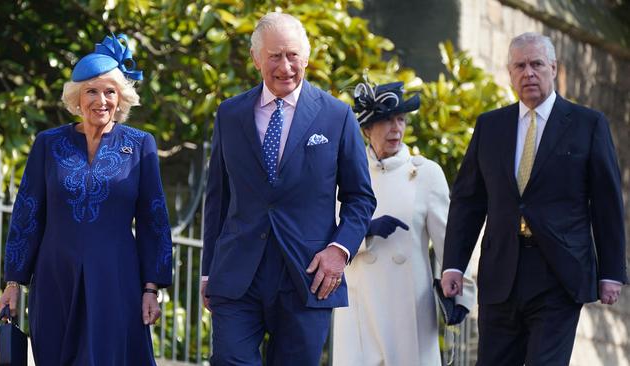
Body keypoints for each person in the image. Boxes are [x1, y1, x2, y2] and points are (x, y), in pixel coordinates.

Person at [441, 32, 627, 365]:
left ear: (554, 68)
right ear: (510, 73)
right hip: (501, 273)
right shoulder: (490, 127)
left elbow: (606, 203)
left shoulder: (588, 125)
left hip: (559, 273)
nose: (529, 73)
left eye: (537, 64)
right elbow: (468, 201)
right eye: (520, 66)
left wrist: (611, 271)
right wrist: (454, 263)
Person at [200, 12, 376, 366]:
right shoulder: (230, 114)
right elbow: (217, 197)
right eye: (274, 56)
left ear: (306, 57)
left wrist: (339, 251)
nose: (285, 66)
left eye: (292, 55)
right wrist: (208, 270)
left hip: (307, 276)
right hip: (238, 275)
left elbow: (360, 198)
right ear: (256, 59)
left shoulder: (337, 116)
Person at [0, 33, 172, 365]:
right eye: (91, 91)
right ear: (77, 98)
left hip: (116, 279)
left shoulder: (139, 145)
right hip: (54, 279)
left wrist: (152, 288)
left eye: (110, 92)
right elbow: (27, 214)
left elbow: (154, 220)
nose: (101, 100)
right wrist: (13, 282)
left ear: (122, 98)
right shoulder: (48, 144)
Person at [332, 82, 476, 366]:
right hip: (359, 300)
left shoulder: (425, 173)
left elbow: (451, 240)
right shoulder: (345, 172)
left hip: (408, 303)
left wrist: (461, 293)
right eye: (386, 120)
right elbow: (331, 232)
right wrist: (365, 230)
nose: (395, 128)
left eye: (400, 119)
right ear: (367, 129)